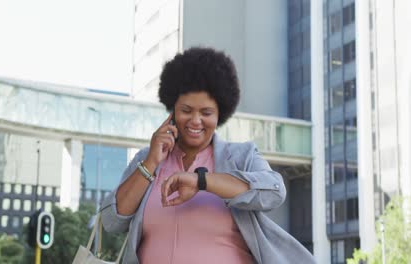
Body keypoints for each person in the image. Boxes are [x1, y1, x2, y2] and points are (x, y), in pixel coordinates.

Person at [101, 47, 315, 263]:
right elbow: (110, 222)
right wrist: (150, 163)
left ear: (219, 113)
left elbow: (274, 192)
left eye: (206, 113)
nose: (195, 120)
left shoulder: (242, 156)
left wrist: (202, 181)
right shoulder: (145, 160)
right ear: (172, 111)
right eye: (186, 110)